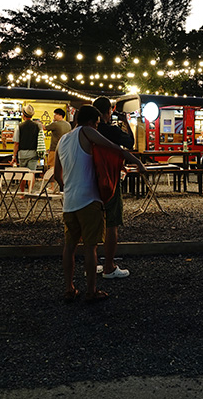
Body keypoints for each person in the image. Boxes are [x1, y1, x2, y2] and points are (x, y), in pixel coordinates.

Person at [57, 105, 144, 303]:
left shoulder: (63, 139)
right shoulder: (87, 132)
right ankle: (91, 291)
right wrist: (137, 162)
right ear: (90, 122)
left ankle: (69, 288)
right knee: (90, 247)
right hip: (88, 200)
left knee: (69, 246)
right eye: (97, 124)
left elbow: (57, 175)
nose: (97, 128)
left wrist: (70, 186)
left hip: (69, 202)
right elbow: (114, 147)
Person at [92, 96, 134, 280]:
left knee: (93, 224)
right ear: (108, 112)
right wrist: (126, 122)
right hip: (110, 178)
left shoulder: (86, 131)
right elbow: (130, 142)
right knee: (112, 222)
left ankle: (92, 265)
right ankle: (109, 266)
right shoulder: (111, 130)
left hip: (90, 178)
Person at [10, 104, 41, 171]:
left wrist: (14, 156)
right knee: (32, 174)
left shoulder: (19, 126)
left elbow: (16, 143)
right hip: (34, 153)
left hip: (22, 154)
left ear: (23, 115)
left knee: (23, 174)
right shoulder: (37, 126)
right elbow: (41, 139)